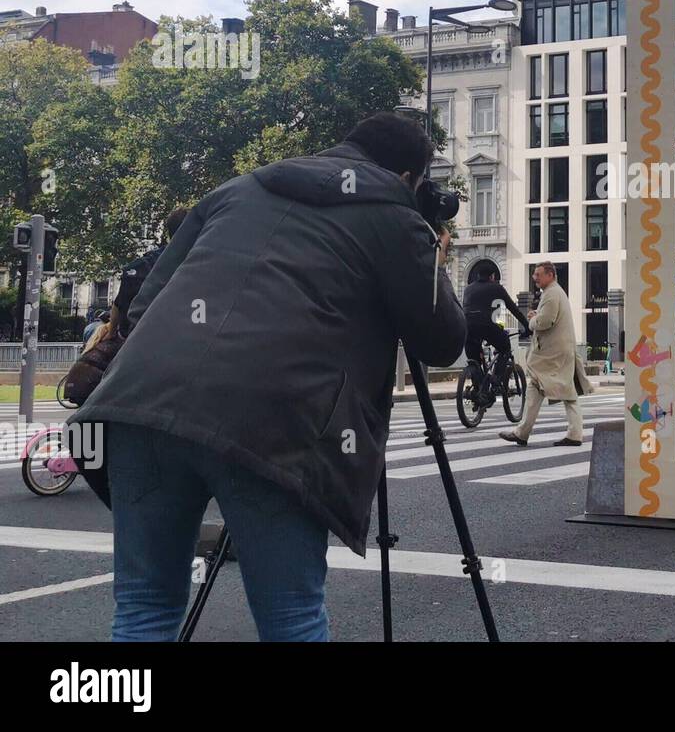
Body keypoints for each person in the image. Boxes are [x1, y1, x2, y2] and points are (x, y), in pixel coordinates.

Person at [67, 111, 465, 641]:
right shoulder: (394, 216)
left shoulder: (237, 189)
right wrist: (432, 254)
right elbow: (442, 342)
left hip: (139, 402)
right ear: (407, 179)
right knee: (292, 618)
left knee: (144, 607)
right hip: (275, 423)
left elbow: (142, 308)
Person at [499, 261, 592, 448]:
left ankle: (523, 432)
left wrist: (532, 320)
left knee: (539, 384)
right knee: (563, 391)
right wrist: (538, 315)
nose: (535, 278)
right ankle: (572, 433)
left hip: (552, 353)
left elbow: (545, 322)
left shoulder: (551, 294)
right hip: (558, 351)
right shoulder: (554, 292)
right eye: (534, 274)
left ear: (550, 275)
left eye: (538, 274)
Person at [109, 206, 191, 340]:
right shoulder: (197, 265)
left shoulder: (139, 266)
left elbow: (118, 305)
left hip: (133, 343)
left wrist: (110, 335)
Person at [463, 266, 530, 385]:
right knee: (505, 348)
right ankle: (496, 379)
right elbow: (513, 309)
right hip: (486, 326)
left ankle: (478, 391)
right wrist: (526, 325)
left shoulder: (468, 289)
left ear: (478, 276)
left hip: (467, 327)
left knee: (474, 361)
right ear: (492, 276)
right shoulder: (496, 288)